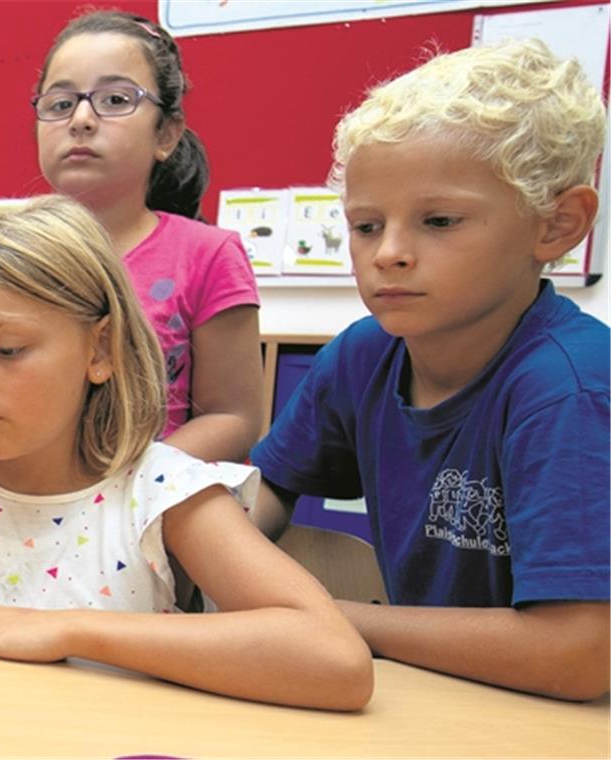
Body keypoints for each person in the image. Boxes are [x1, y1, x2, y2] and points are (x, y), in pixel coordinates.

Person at [0, 197, 372, 711]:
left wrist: (68, 630)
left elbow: (336, 659)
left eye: (7, 351)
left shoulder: (163, 496)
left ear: (99, 350)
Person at [251, 39, 609, 701]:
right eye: (363, 226)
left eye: (437, 221)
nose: (387, 254)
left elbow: (577, 655)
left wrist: (334, 618)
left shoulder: (568, 389)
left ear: (557, 225)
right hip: (441, 694)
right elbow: (269, 488)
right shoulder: (363, 353)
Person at [33, 10, 261, 463]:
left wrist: (125, 486)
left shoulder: (208, 255)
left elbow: (235, 417)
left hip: (155, 507)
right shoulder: (8, 252)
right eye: (60, 104)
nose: (81, 119)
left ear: (167, 133)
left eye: (115, 100)